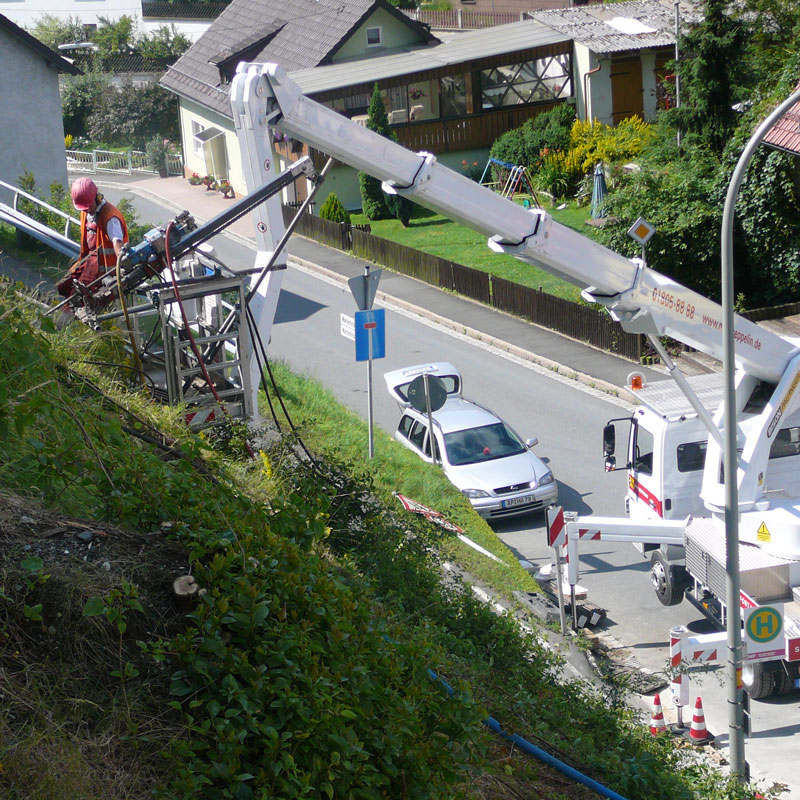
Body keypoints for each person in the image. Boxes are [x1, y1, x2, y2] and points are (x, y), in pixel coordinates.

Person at [57, 177, 129, 298]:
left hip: (105, 272)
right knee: (64, 286)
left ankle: (69, 315)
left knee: (78, 295)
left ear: (97, 197)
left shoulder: (110, 217)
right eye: (83, 208)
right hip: (88, 261)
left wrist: (123, 263)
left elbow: (117, 242)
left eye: (88, 206)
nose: (86, 210)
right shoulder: (86, 212)